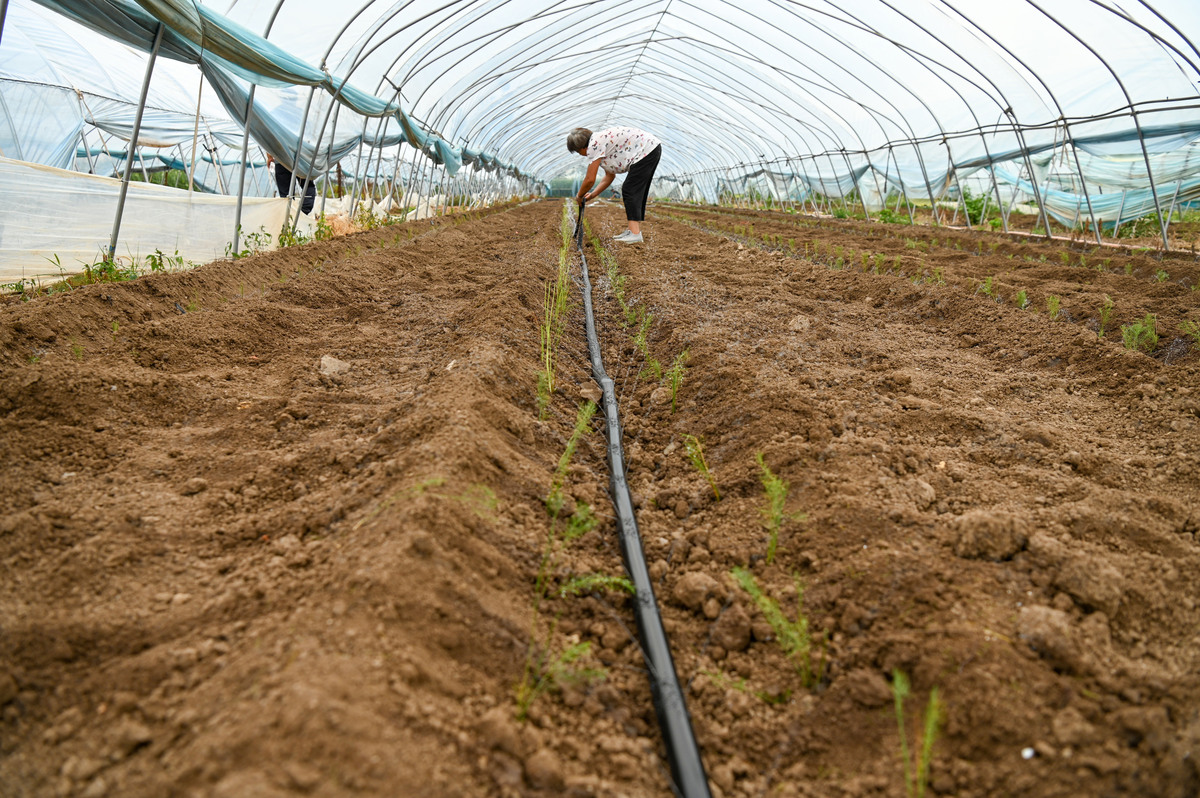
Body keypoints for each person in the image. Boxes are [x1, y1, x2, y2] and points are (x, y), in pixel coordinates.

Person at [568, 127, 662, 244]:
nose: (581, 155)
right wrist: (592, 195)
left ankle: (635, 233)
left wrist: (579, 195)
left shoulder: (594, 145)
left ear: (582, 146)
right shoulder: (601, 144)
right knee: (631, 188)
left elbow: (589, 180)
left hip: (647, 150)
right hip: (650, 149)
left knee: (630, 189)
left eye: (578, 151)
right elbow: (609, 176)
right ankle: (631, 231)